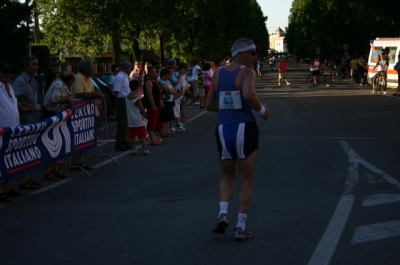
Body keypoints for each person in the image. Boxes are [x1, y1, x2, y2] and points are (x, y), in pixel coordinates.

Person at [205, 37, 269, 240]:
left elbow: (209, 105)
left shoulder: (218, 74)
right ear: (240, 54)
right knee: (246, 178)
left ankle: (223, 212)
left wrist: (226, 108)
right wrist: (262, 110)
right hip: (244, 127)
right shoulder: (247, 72)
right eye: (252, 53)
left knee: (227, 175)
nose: (255, 57)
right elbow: (249, 95)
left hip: (223, 128)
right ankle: (240, 226)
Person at [13, 55, 41, 189]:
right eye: (33, 64)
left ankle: (27, 178)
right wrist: (23, 107)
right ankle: (23, 179)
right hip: (25, 119)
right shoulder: (20, 81)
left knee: (29, 149)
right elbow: (13, 97)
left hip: (33, 117)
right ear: (26, 66)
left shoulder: (32, 80)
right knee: (23, 149)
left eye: (36, 64)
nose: (35, 67)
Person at [70, 59, 104, 170]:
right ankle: (76, 161)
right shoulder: (79, 78)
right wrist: (93, 94)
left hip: (87, 114)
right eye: (92, 68)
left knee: (86, 137)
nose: (94, 70)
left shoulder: (88, 79)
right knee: (79, 137)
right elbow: (79, 94)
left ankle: (83, 161)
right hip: (79, 114)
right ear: (88, 69)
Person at [42, 69, 74, 180]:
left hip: (56, 115)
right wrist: (67, 98)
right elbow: (54, 98)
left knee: (55, 143)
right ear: (69, 80)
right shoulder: (59, 84)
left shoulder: (62, 85)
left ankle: (54, 169)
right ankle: (47, 171)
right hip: (50, 114)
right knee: (49, 143)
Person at [0, 62, 24, 202]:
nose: (8, 75)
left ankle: (7, 187)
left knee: (8, 160)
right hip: (2, 130)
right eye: (4, 72)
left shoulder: (10, 86)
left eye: (9, 72)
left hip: (13, 129)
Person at [126, 80, 150, 156]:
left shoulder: (127, 97)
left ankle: (133, 149)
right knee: (142, 136)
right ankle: (145, 149)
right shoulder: (137, 99)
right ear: (137, 88)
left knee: (131, 136)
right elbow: (142, 110)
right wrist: (144, 113)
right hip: (138, 119)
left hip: (130, 119)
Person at [113, 59, 132, 151]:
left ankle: (125, 141)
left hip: (126, 99)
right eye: (129, 67)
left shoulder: (125, 76)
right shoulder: (120, 77)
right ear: (127, 68)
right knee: (122, 122)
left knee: (126, 122)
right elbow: (116, 90)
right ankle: (119, 143)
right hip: (121, 100)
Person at [142, 66, 163, 144]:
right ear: (148, 73)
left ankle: (153, 135)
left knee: (155, 121)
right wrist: (153, 105)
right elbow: (149, 94)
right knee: (152, 121)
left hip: (157, 104)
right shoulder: (149, 81)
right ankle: (151, 138)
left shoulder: (155, 81)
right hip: (151, 105)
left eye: (155, 72)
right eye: (152, 72)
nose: (154, 73)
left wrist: (160, 101)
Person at [158, 68, 176, 137]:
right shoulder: (161, 81)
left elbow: (173, 89)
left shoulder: (168, 81)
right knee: (165, 117)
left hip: (170, 100)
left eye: (167, 74)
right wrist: (171, 91)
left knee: (168, 117)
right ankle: (164, 131)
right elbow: (167, 90)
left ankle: (167, 130)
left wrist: (171, 90)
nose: (166, 76)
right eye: (165, 74)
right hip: (165, 101)